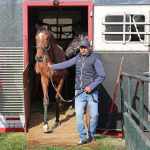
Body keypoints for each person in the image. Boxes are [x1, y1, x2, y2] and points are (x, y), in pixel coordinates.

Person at [48, 38, 105, 145]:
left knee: (94, 115)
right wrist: (53, 67)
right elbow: (66, 63)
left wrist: (91, 87)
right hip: (79, 92)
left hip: (92, 93)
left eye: (85, 47)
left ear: (89, 47)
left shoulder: (95, 58)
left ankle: (91, 135)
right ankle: (83, 137)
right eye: (81, 48)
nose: (83, 50)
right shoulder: (77, 57)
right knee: (78, 116)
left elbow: (102, 76)